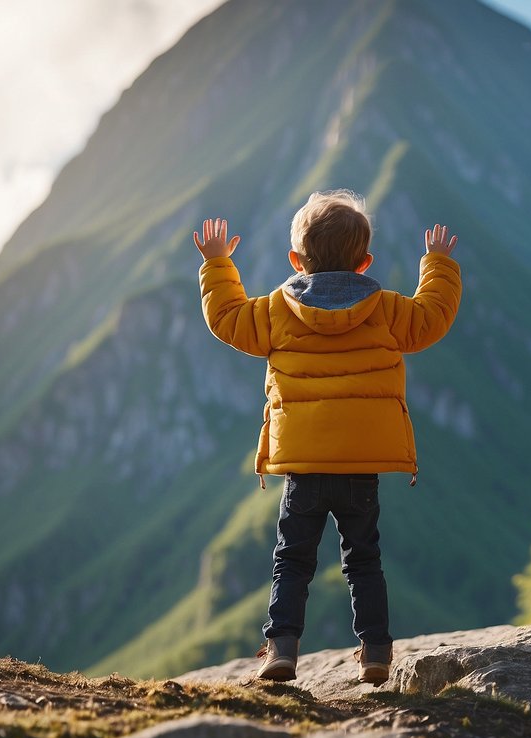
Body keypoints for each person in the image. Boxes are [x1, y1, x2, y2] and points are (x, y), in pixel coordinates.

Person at [193, 190, 461, 684]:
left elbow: (228, 320)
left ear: (296, 259)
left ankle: (282, 649)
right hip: (362, 463)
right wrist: (438, 264)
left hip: (305, 462)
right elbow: (431, 318)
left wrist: (217, 264)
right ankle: (376, 652)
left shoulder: (276, 310)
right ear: (364, 262)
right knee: (364, 559)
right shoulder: (386, 310)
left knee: (292, 560)